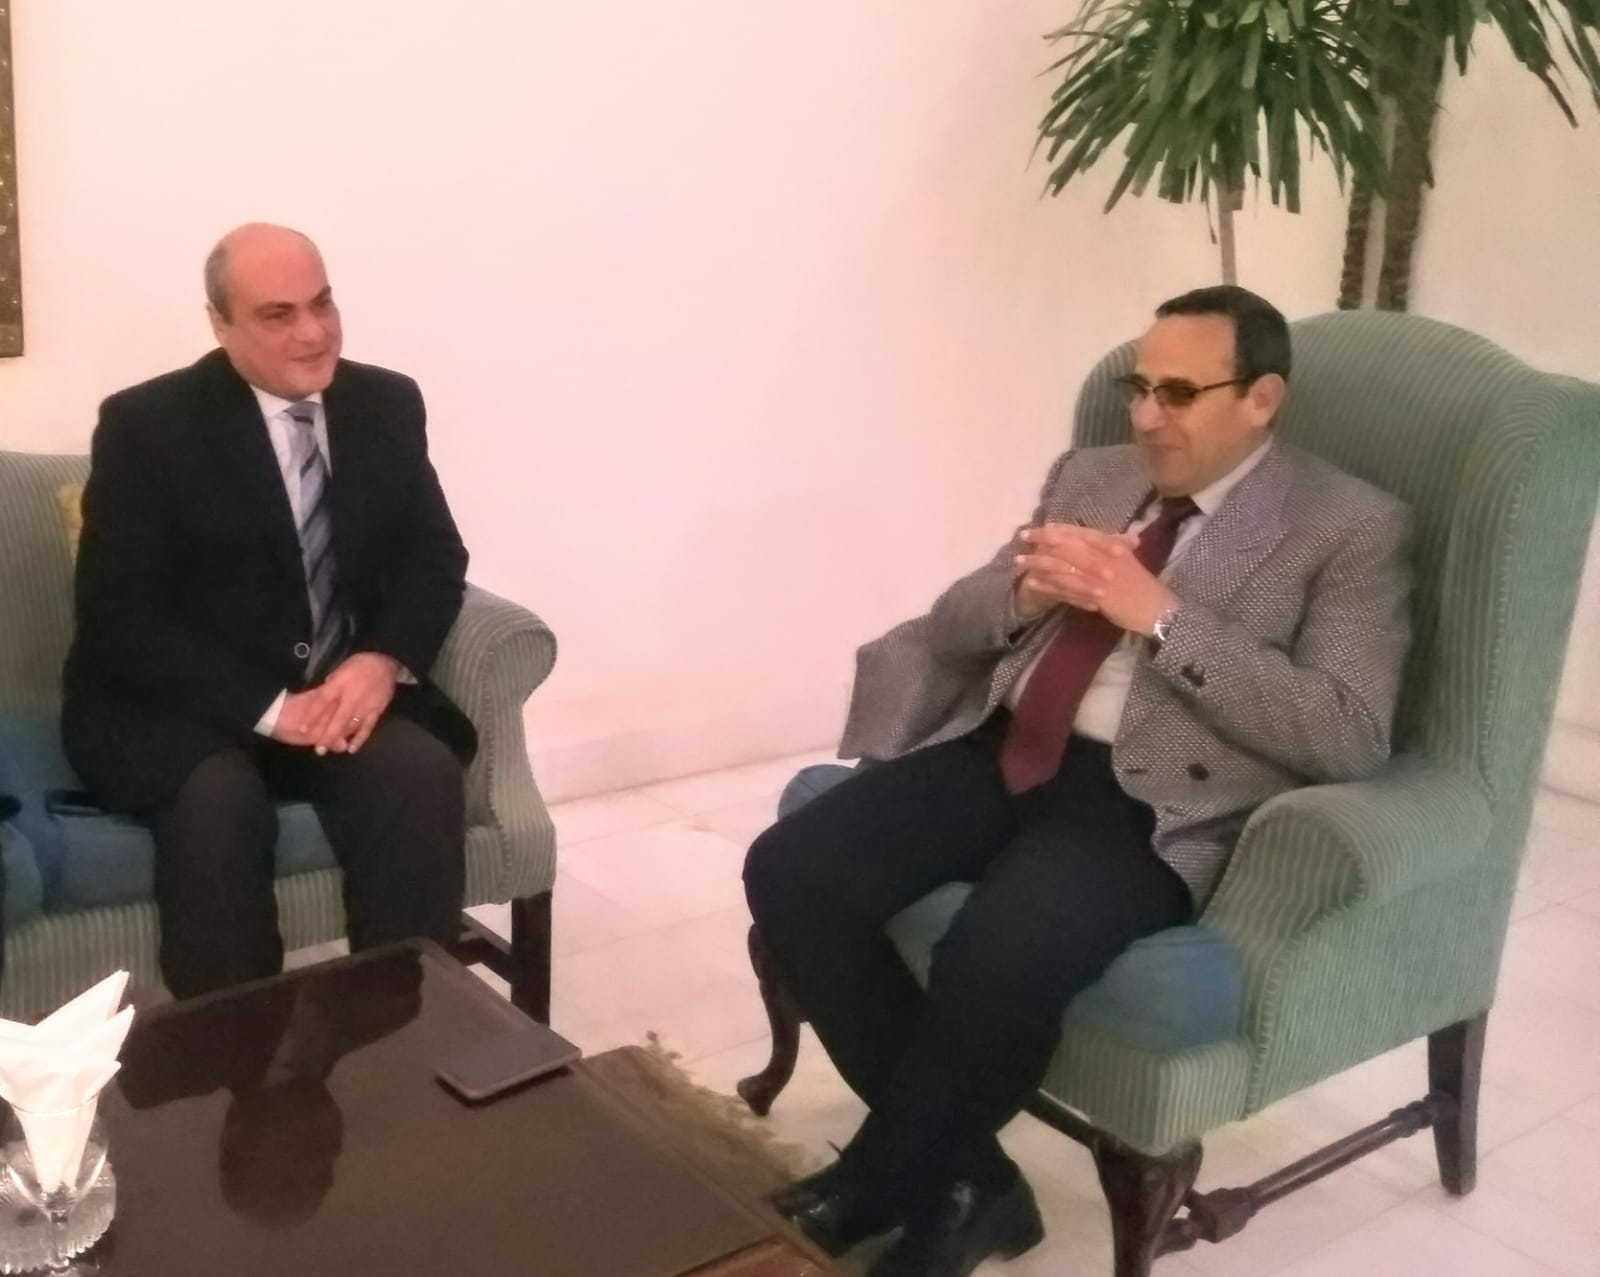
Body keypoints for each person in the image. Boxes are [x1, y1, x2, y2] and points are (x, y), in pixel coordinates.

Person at [743, 286, 1414, 1277]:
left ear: (1261, 398)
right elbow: (954, 624)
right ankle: (968, 1179)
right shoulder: (1092, 475)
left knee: (997, 952)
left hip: (1148, 802)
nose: (1144, 415)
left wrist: (1163, 618)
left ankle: (881, 1180)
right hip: (1007, 745)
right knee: (791, 869)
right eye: (1139, 387)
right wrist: (1023, 594)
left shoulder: (1348, 526)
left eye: (1177, 393)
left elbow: (1348, 731)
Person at [63, 223, 476, 999]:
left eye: (323, 303)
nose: (314, 332)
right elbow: (120, 617)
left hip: (332, 696)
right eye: (279, 314)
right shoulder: (147, 427)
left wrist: (380, 660)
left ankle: (405, 1032)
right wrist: (270, 710)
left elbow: (434, 556)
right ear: (220, 325)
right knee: (217, 810)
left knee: (418, 775)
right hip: (189, 707)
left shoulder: (385, 404)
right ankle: (235, 1052)